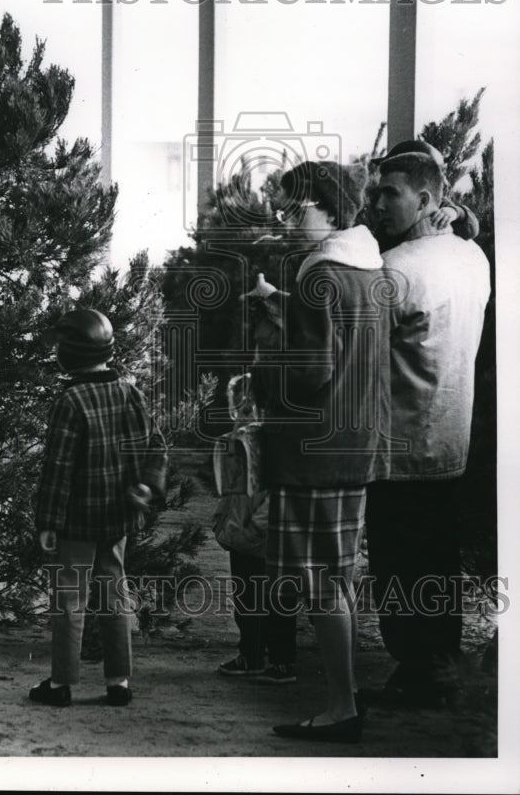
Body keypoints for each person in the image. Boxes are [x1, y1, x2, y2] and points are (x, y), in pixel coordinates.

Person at [250, 160, 392, 743]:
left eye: (294, 208)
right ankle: (344, 700)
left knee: (322, 586)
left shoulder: (319, 274)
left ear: (329, 208)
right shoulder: (367, 266)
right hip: (355, 445)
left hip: (313, 453)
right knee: (339, 579)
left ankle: (340, 707)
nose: (284, 219)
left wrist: (262, 371)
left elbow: (308, 373)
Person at [362, 148, 490, 708]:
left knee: (399, 565)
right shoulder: (473, 257)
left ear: (424, 199)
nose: (377, 203)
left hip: (401, 445)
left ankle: (417, 673)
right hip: (451, 440)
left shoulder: (395, 270)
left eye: (389, 193)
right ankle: (437, 669)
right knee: (438, 560)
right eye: (376, 192)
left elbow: (355, 358)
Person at [30, 308, 167, 708]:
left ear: (70, 353)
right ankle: (118, 683)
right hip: (118, 515)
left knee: (70, 598)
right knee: (114, 593)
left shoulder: (70, 400)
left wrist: (47, 521)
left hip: (77, 519)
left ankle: (61, 685)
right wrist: (147, 485)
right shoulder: (129, 391)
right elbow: (156, 444)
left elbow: (58, 468)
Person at [212, 373, 298, 684]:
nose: (241, 414)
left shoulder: (274, 441)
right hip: (241, 533)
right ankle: (251, 654)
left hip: (264, 534)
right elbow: (230, 489)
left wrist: (259, 526)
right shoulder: (237, 440)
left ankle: (282, 659)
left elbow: (279, 493)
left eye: (248, 407)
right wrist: (222, 521)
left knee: (278, 597)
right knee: (247, 599)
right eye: (237, 407)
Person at [368, 139, 479, 251]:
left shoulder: (441, 207)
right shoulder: (384, 207)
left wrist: (456, 212)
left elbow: (471, 228)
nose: (380, 205)